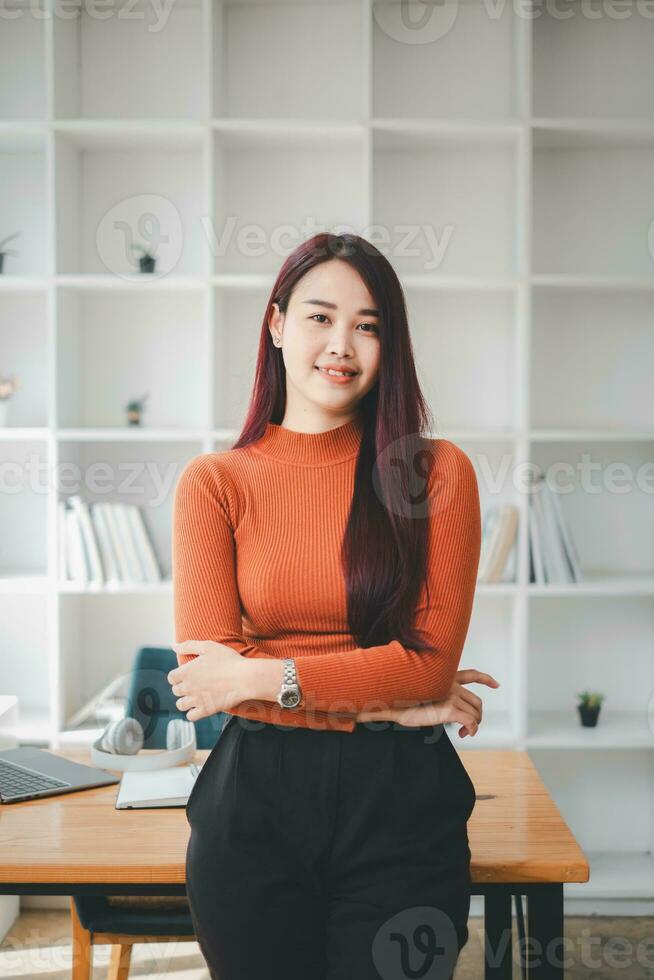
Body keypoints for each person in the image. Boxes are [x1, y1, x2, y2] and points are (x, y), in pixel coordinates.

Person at [168, 232, 500, 980]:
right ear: (277, 324)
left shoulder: (434, 473)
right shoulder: (214, 482)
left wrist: (269, 677)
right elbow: (206, 678)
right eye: (320, 317)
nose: (342, 344)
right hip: (253, 807)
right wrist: (389, 697)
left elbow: (426, 668)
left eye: (369, 324)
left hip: (403, 807)